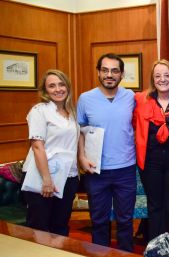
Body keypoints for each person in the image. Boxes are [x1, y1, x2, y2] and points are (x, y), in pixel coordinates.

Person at [77, 53, 136, 252]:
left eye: (114, 71)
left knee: (125, 221)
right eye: (105, 70)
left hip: (126, 170)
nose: (109, 75)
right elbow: (80, 131)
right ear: (98, 72)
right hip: (96, 170)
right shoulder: (85, 98)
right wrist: (81, 158)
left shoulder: (131, 97)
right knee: (99, 221)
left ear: (121, 74)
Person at [133, 59, 169, 241]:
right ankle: (155, 246)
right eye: (158, 76)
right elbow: (133, 125)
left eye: (166, 75)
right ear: (152, 79)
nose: (162, 79)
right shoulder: (140, 100)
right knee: (155, 206)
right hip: (150, 163)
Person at [22, 69, 79, 236]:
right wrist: (46, 179)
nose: (58, 89)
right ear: (45, 90)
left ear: (67, 86)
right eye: (52, 86)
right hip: (41, 177)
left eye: (61, 84)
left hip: (68, 176)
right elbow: (37, 146)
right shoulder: (40, 111)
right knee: (39, 228)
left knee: (60, 226)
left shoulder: (72, 112)